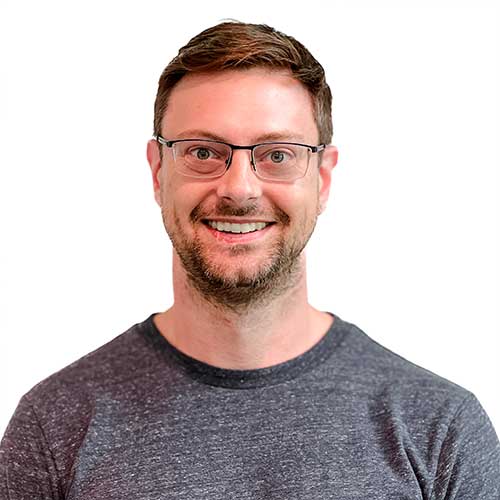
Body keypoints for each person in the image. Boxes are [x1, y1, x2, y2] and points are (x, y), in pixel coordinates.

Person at [1, 21, 499, 499]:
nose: (239, 187)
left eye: (278, 154)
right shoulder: (55, 426)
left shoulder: (439, 430)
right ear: (157, 172)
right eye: (202, 151)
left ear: (322, 178)